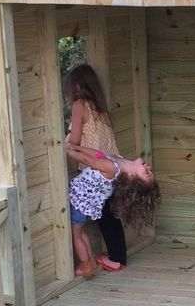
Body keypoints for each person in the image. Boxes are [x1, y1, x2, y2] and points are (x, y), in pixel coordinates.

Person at [64, 64, 128, 271]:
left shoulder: (79, 105)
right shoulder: (100, 108)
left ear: (75, 86)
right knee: (110, 215)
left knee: (90, 221)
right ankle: (118, 257)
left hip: (96, 171)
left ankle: (106, 261)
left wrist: (67, 140)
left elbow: (74, 139)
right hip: (114, 166)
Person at [66, 144, 159, 279]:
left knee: (77, 234)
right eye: (149, 171)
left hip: (79, 202)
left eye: (147, 173)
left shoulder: (112, 168)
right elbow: (98, 154)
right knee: (81, 232)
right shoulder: (119, 163)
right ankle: (89, 262)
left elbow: (88, 161)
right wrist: (76, 147)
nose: (148, 168)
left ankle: (85, 266)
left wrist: (68, 151)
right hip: (83, 203)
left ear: (132, 176)